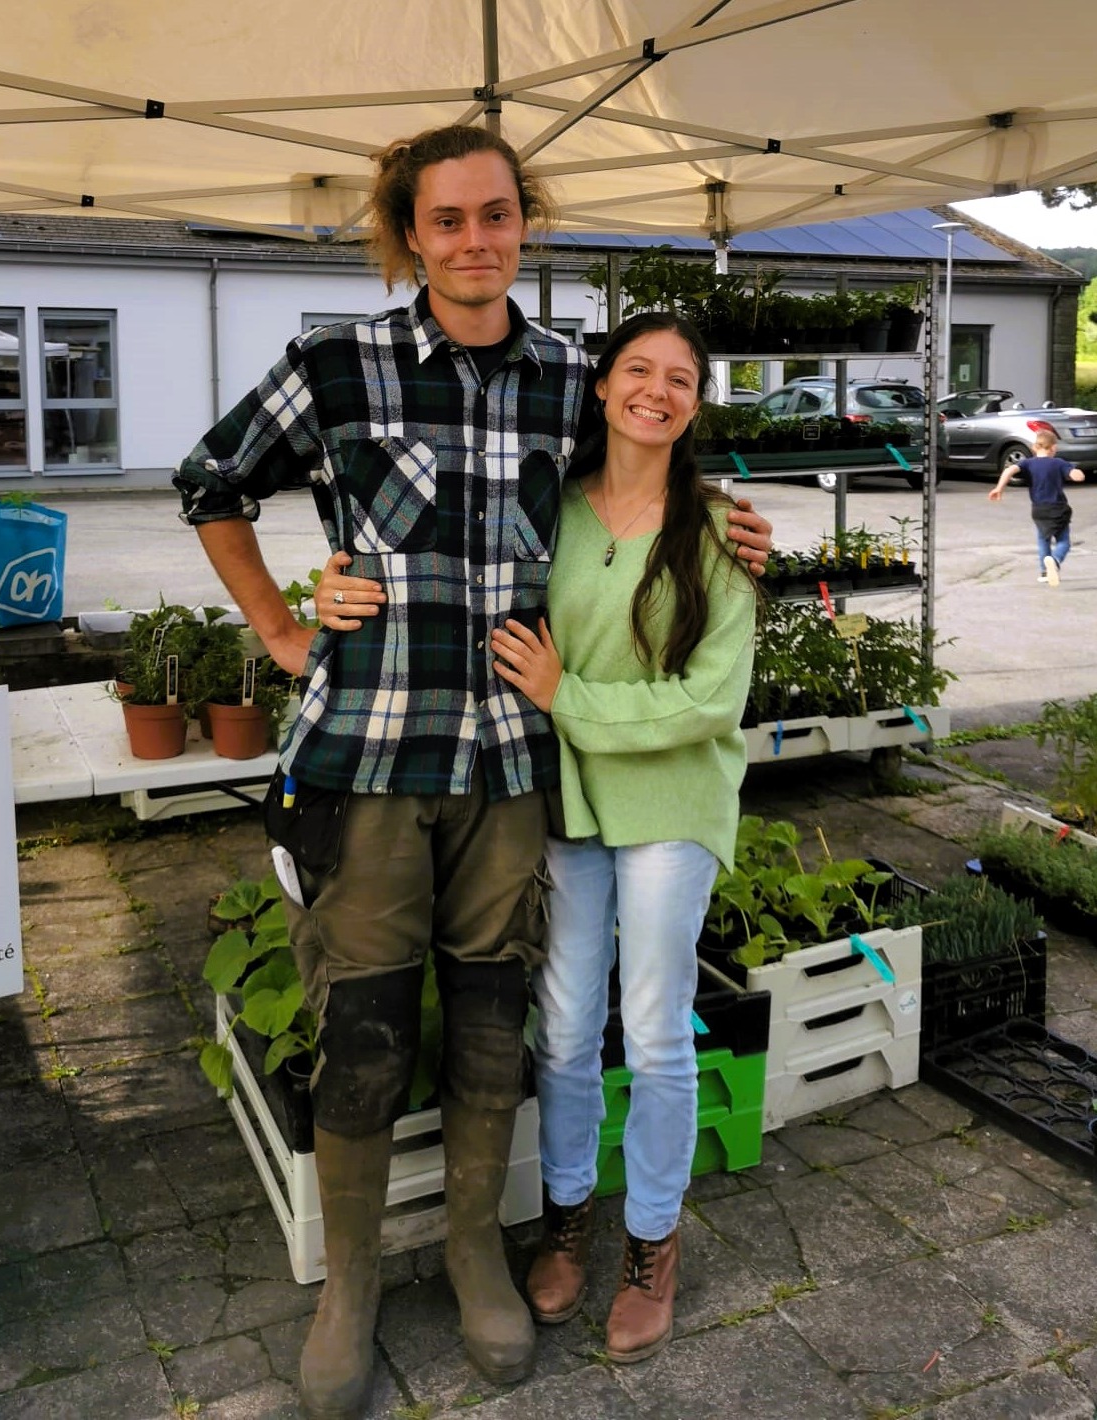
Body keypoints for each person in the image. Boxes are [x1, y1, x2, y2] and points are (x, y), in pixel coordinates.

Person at [174, 123, 772, 1420]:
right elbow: (209, 480)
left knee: (499, 1017)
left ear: (524, 220)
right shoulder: (337, 365)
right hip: (369, 752)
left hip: (510, 763)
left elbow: (644, 475)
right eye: (445, 219)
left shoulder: (568, 376)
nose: (473, 240)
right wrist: (280, 625)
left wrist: (727, 520)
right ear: (409, 234)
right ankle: (348, 1288)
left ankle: (471, 1254)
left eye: (495, 214)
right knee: (365, 1023)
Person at [486, 311, 757, 1364]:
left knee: (651, 1027)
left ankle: (651, 1241)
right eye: (637, 370)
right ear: (600, 387)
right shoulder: (545, 511)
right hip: (569, 799)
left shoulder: (716, 532)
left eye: (680, 378)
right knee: (561, 1026)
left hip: (670, 802)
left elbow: (709, 701)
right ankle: (566, 1216)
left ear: (695, 404)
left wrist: (569, 699)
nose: (657, 390)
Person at [988, 429, 1085, 585]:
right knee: (1063, 542)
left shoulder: (1027, 463)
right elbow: (1077, 476)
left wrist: (999, 488)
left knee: (1043, 540)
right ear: (1053, 448)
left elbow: (1009, 470)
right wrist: (1077, 472)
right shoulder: (1059, 463)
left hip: (1039, 509)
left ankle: (1045, 572)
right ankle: (1055, 560)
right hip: (1058, 509)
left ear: (1034, 447)